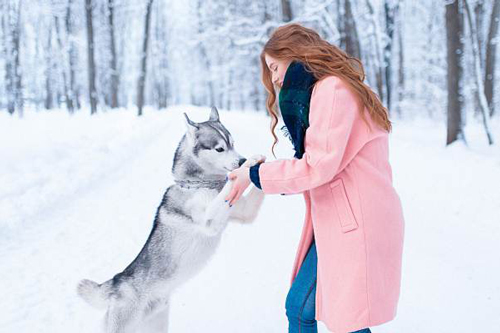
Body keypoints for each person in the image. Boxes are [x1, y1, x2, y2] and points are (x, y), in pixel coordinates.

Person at [225, 23, 405, 333]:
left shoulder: (332, 89)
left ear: (293, 54)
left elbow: (316, 166)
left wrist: (255, 175)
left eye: (275, 67)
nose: (274, 78)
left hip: (355, 222)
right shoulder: (332, 88)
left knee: (316, 312)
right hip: (344, 220)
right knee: (329, 314)